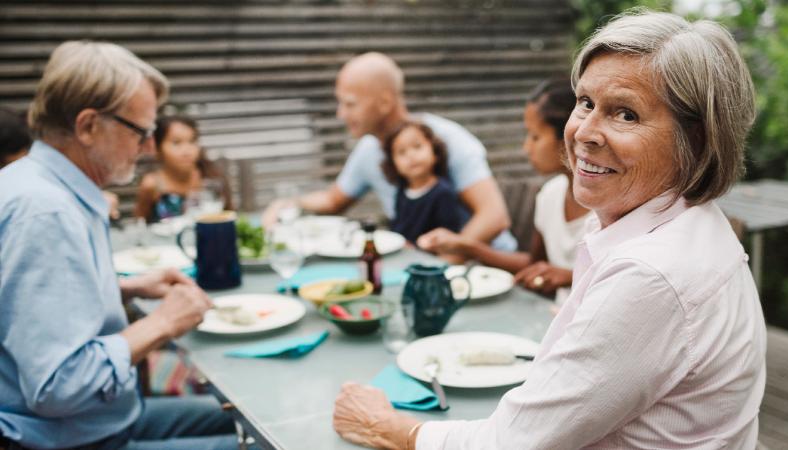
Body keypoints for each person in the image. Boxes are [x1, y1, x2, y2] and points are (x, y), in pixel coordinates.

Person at [332, 10, 767, 449]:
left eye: (627, 115)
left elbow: (510, 443)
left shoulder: (652, 274)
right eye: (586, 103)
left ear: (694, 140)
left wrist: (386, 426)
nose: (585, 134)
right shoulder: (685, 222)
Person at [0, 41, 237, 449]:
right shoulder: (45, 212)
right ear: (88, 126)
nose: (148, 148)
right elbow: (59, 384)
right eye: (141, 131)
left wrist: (127, 285)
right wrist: (163, 322)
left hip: (103, 419)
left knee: (236, 414)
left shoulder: (40, 184)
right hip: (63, 438)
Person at [262, 52, 516, 253]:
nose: (340, 114)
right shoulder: (369, 149)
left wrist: (444, 262)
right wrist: (289, 203)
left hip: (483, 269)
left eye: (350, 104)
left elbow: (494, 217)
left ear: (384, 102)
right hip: (420, 263)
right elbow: (333, 201)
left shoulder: (446, 139)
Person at [412, 81, 593, 303]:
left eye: (535, 136)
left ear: (569, 134)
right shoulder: (550, 195)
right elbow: (534, 266)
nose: (526, 147)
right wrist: (469, 247)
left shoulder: (608, 209)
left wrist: (568, 277)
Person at [381, 121, 470, 244]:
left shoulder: (443, 194)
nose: (411, 155)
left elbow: (449, 237)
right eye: (401, 152)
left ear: (435, 151)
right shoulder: (402, 190)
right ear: (393, 164)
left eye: (417, 147)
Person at [135, 115, 232, 223]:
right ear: (158, 148)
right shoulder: (152, 184)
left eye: (192, 141)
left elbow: (228, 217)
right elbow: (140, 224)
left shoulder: (210, 178)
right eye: (176, 143)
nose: (187, 151)